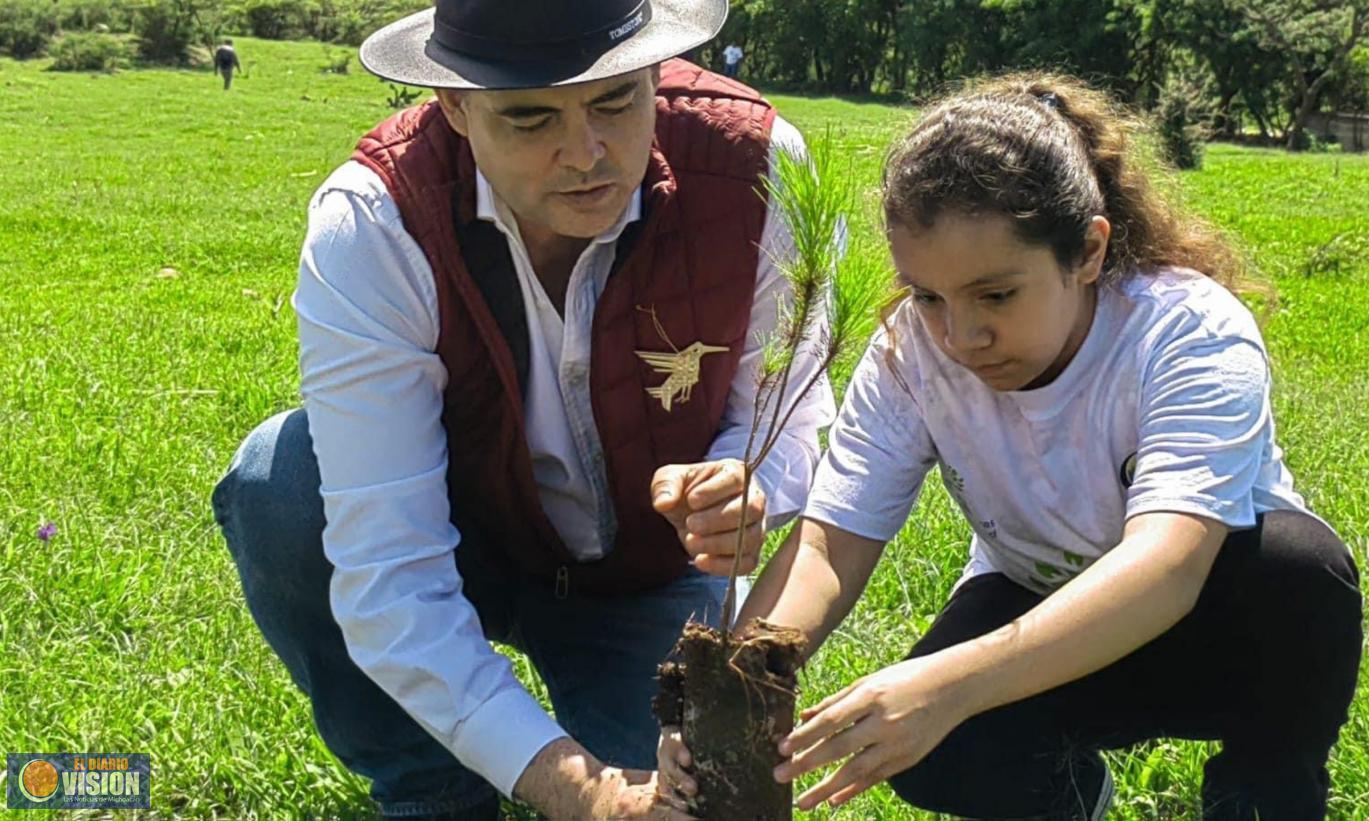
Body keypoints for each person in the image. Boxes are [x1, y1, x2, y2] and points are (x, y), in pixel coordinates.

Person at [658, 74, 1362, 820]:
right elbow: (831, 543)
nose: (960, 338)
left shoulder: (1185, 331)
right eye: (927, 296)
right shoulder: (910, 356)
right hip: (1037, 603)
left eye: (996, 295)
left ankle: (1263, 788)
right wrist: (729, 693)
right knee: (935, 754)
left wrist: (949, 686)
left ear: (1087, 251)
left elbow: (1169, 563)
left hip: (1225, 627)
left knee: (1301, 572)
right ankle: (1067, 796)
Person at [210, 0, 834, 818]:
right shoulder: (376, 222)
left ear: (656, 72)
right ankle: (432, 790)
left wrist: (748, 483)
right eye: (530, 117)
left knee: (696, 806)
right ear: (455, 108)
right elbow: (394, 571)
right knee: (280, 482)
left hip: (647, 579)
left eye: (616, 100)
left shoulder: (754, 173)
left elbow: (789, 411)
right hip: (466, 547)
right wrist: (581, 794)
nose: (586, 154)